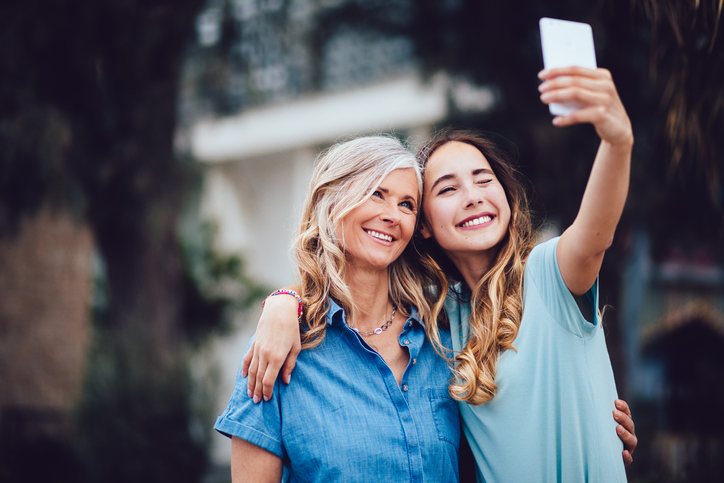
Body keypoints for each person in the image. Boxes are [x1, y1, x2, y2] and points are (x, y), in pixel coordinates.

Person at [242, 66, 637, 481]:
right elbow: (352, 285)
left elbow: (594, 235)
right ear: (424, 225)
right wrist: (284, 302)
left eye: (484, 180)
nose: (472, 197)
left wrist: (617, 141)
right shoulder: (436, 320)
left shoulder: (547, 275)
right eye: (447, 189)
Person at [214, 136, 462, 482]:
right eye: (377, 193)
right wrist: (284, 299)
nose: (392, 215)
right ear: (331, 202)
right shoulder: (278, 350)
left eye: (407, 205)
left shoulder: (443, 336)